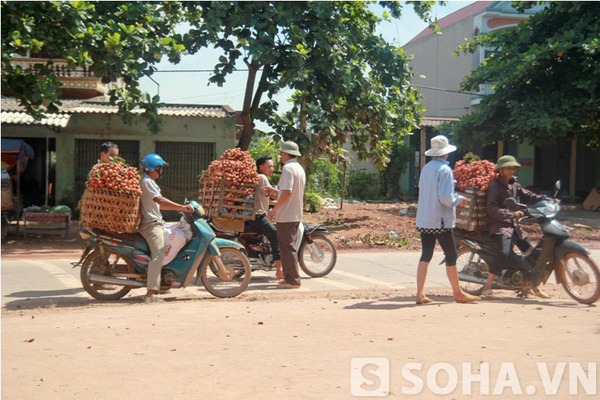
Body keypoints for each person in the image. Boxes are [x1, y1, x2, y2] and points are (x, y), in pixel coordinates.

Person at [415, 135, 480, 304]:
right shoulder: (444, 170)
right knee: (451, 254)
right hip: (440, 220)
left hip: (425, 219)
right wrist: (458, 200)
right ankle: (458, 293)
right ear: (446, 154)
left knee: (426, 255)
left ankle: (420, 293)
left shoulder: (427, 168)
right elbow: (445, 198)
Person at [481, 155, 550, 299]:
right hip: (500, 225)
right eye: (508, 168)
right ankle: (487, 286)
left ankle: (531, 286)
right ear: (500, 170)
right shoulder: (494, 185)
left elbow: (527, 195)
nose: (512, 170)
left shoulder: (514, 183)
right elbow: (491, 208)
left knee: (532, 253)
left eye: (513, 168)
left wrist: (545, 199)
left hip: (515, 226)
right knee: (504, 252)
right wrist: (510, 214)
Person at [138, 154, 194, 302]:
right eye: (160, 168)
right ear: (155, 168)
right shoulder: (147, 181)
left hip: (157, 222)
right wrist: (180, 207)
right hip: (150, 224)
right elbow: (160, 201)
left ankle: (163, 282)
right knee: (160, 252)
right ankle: (151, 293)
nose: (161, 171)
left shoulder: (149, 181)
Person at [266, 142, 306, 289]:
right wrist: (274, 192)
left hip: (287, 215)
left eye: (281, 154)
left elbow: (287, 192)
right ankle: (289, 277)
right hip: (294, 214)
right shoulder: (299, 168)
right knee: (285, 247)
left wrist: (274, 210)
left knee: (287, 248)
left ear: (284, 154)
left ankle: (294, 280)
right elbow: (288, 193)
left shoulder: (288, 169)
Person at [246, 156, 283, 279]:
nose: (271, 169)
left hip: (255, 214)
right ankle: (279, 269)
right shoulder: (262, 177)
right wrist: (286, 197)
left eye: (272, 166)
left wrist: (276, 203)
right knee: (275, 235)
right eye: (269, 166)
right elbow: (272, 194)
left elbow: (266, 198)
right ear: (261, 167)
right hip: (258, 215)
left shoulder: (258, 178)